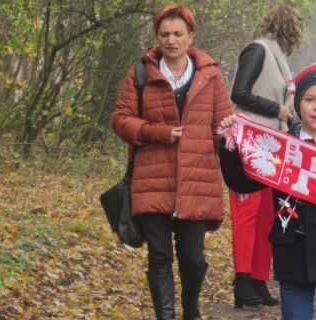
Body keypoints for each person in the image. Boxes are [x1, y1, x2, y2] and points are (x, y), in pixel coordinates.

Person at [110, 5, 232, 320]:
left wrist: (236, 161)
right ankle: (165, 316)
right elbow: (120, 120)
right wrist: (157, 132)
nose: (171, 40)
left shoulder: (211, 76)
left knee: (193, 258)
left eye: (178, 34)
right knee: (160, 256)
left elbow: (222, 130)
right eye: (164, 34)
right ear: (157, 37)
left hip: (196, 182)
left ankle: (190, 310)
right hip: (151, 180)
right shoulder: (139, 73)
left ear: (191, 36)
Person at [219, 62, 316, 320]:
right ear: (297, 104)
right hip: (293, 256)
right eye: (310, 99)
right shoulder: (280, 149)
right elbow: (242, 183)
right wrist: (229, 144)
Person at [228, 4, 304, 307]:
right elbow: (239, 93)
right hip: (249, 143)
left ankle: (259, 281)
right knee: (246, 215)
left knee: (265, 218)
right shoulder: (257, 50)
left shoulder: (278, 56)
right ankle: (242, 283)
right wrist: (278, 110)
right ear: (288, 28)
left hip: (272, 146)